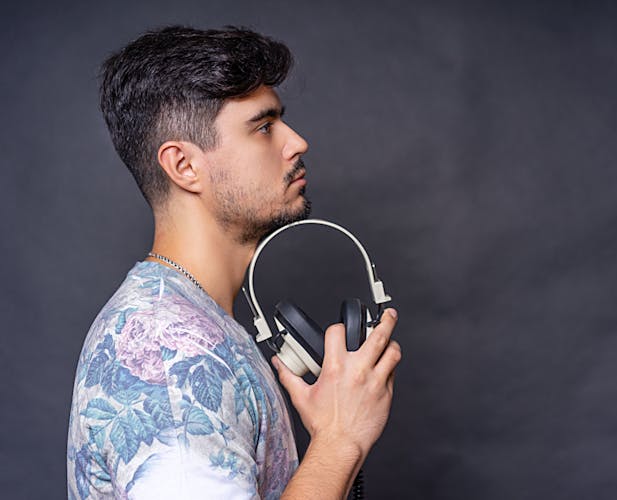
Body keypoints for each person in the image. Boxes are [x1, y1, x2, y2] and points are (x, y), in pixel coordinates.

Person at [66, 25, 401, 499]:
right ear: (184, 166)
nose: (297, 141)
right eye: (263, 127)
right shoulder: (172, 359)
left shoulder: (197, 326)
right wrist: (340, 438)